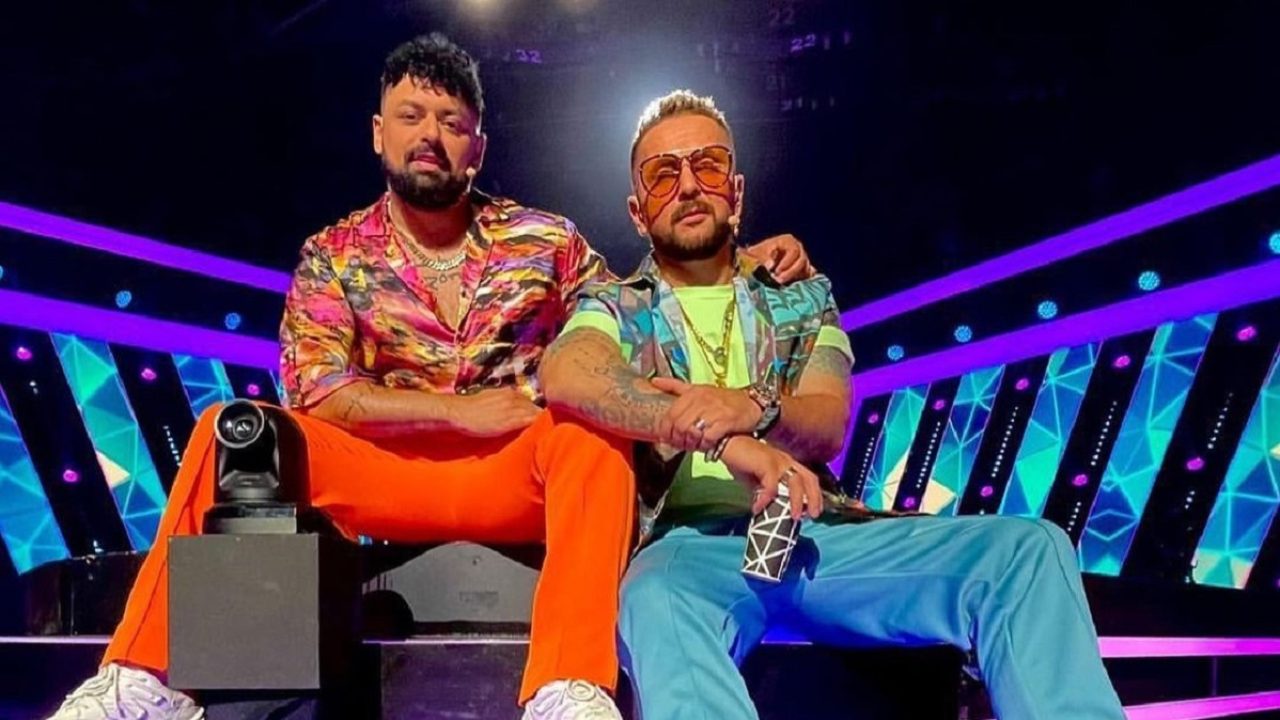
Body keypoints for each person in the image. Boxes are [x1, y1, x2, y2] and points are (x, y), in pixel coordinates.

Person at [48, 36, 812, 720]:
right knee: (232, 431)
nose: (430, 137)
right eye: (411, 116)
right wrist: (457, 413)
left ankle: (570, 688)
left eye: (451, 123)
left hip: (513, 474)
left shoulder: (545, 240)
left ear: (477, 146)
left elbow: (634, 320)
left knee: (591, 433)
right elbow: (315, 388)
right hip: (383, 473)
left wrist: (732, 261)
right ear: (378, 133)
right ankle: (141, 682)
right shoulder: (334, 253)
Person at [540, 89, 1126, 720]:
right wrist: (711, 431)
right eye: (662, 174)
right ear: (637, 212)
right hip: (690, 551)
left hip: (817, 539)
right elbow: (567, 369)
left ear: (736, 191)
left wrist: (753, 408)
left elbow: (827, 421)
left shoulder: (802, 294)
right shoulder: (617, 305)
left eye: (707, 165)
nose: (687, 186)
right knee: (653, 597)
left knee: (1029, 551)